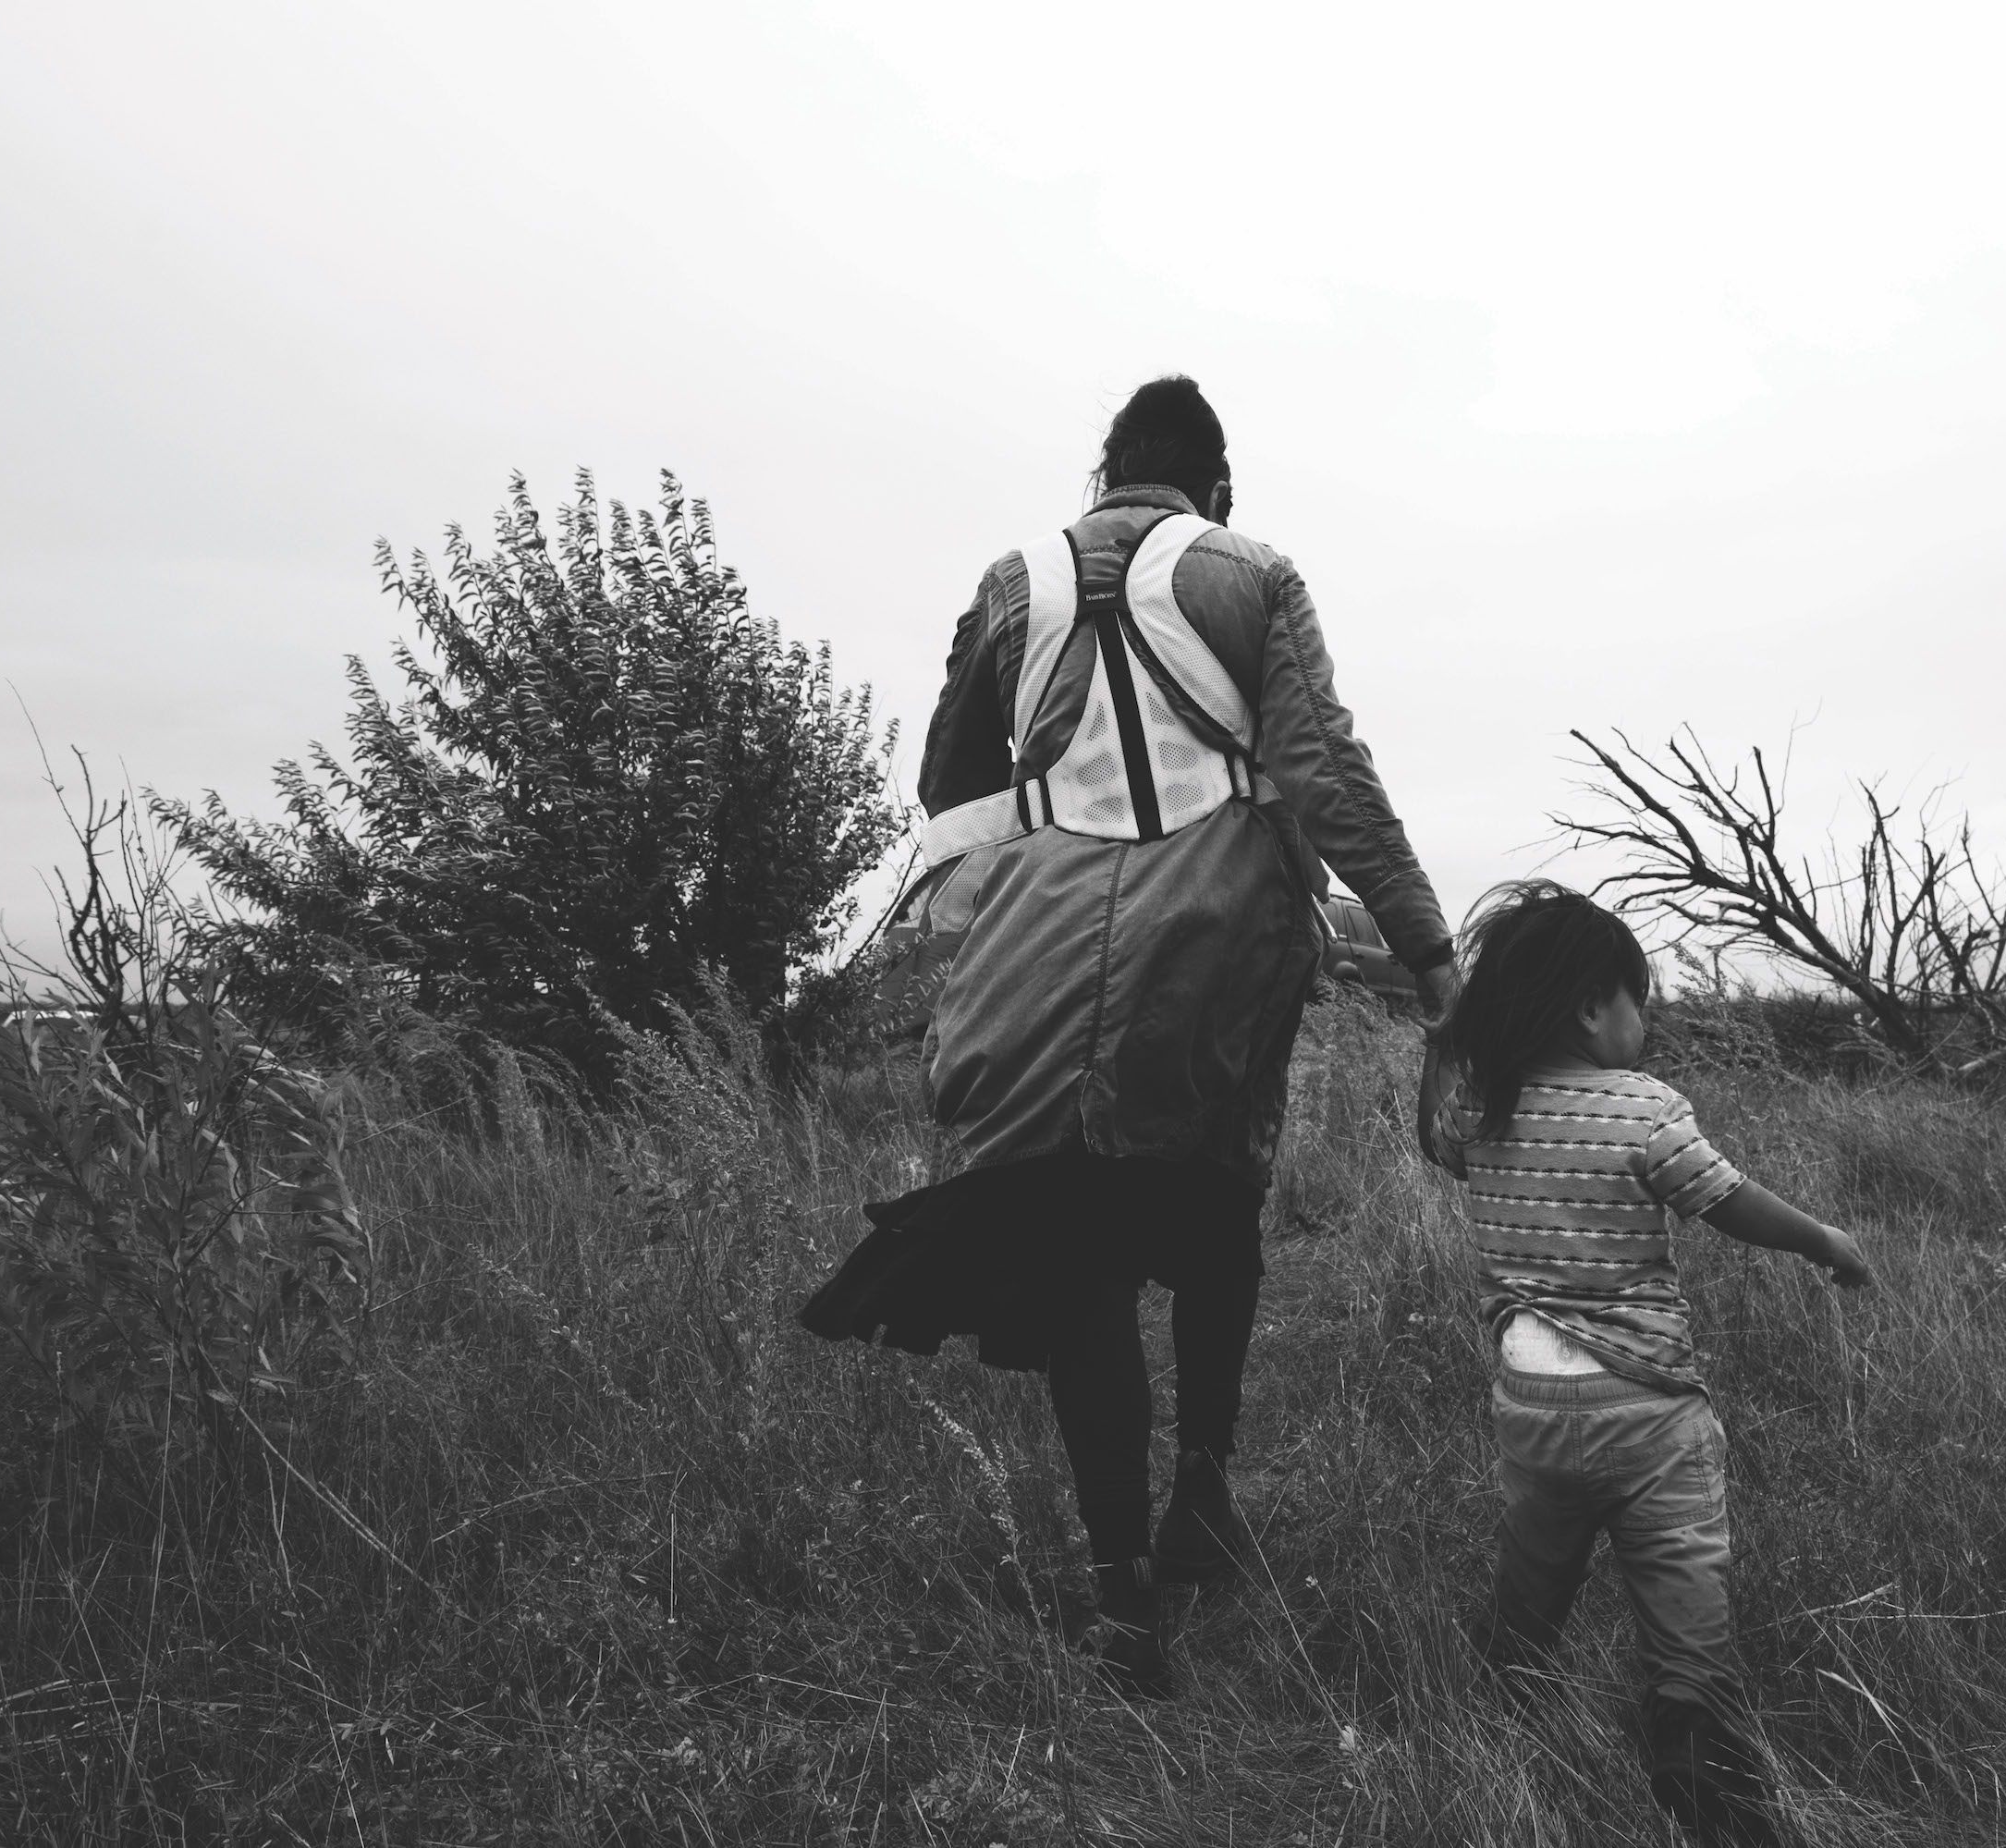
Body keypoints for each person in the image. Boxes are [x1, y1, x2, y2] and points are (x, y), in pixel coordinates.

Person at [799, 376, 1458, 1695]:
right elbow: (1324, 766)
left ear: (1102, 478)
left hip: (1040, 942)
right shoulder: (1247, 570)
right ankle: (1204, 1481)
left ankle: (1121, 1599)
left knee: (1076, 1245)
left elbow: (955, 790)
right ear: (1213, 484)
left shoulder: (1009, 583)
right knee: (1218, 1203)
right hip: (1220, 937)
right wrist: (1429, 949)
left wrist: (982, 938)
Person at [1418, 882, 1871, 1847]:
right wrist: (1822, 1238)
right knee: (1682, 1576)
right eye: (1641, 997)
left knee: (1536, 1565)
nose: (1649, 1017)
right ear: (1591, 1003)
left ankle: (1508, 1697)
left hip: (1530, 1402)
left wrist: (1440, 1038)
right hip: (1648, 1405)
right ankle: (1700, 1762)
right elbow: (1727, 1199)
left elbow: (1435, 1140)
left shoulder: (1482, 1108)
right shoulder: (1646, 1109)